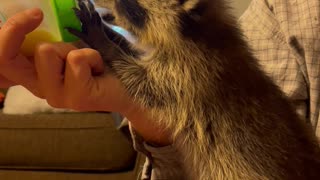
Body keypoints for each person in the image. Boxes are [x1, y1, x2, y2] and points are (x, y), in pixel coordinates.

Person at [0, 0, 319, 179]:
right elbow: (151, 88)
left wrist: (103, 42)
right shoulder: (233, 55)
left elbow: (151, 88)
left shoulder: (207, 62)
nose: (114, 8)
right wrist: (102, 45)